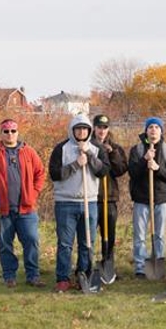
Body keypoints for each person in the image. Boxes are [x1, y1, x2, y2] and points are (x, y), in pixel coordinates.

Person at [48, 115, 110, 292]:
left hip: (89, 202)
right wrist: (76, 163)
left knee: (87, 242)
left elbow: (103, 171)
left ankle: (83, 274)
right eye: (78, 129)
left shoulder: (96, 148)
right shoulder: (62, 148)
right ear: (72, 130)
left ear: (89, 131)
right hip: (65, 203)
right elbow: (55, 174)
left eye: (85, 129)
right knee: (65, 243)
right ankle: (63, 278)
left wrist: (89, 155)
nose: (81, 132)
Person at [0, 119, 46, 288]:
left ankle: (33, 275)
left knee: (31, 240)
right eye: (6, 131)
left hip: (26, 209)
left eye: (13, 131)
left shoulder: (28, 151)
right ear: (1, 133)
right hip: (4, 209)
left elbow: (41, 173)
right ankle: (9, 276)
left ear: (18, 132)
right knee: (5, 244)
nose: (10, 134)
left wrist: (33, 193)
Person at [127, 117, 166, 279]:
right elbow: (133, 173)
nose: (153, 130)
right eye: (150, 127)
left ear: (161, 131)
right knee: (140, 236)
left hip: (161, 199)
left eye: (157, 127)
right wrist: (145, 160)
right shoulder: (136, 150)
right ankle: (141, 268)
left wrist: (157, 168)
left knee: (159, 235)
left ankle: (158, 262)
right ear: (146, 130)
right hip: (141, 199)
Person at [92, 114, 128, 280]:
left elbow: (121, 170)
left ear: (108, 129)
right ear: (94, 128)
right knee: (91, 234)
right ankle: (89, 266)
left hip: (110, 197)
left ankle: (108, 265)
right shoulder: (88, 146)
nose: (102, 130)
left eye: (105, 127)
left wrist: (112, 153)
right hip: (93, 197)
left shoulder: (116, 148)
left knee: (110, 235)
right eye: (99, 127)